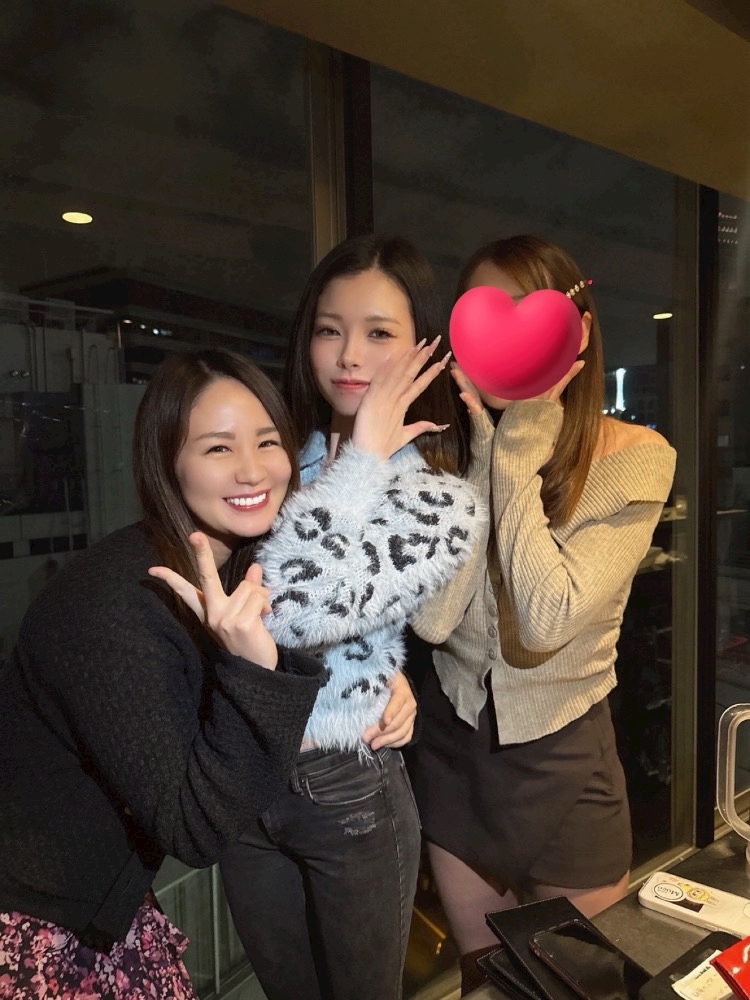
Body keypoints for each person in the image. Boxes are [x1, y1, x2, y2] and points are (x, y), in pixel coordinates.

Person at [0, 350, 325, 999]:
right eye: (218, 448)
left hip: (102, 902)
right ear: (167, 463)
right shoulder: (116, 606)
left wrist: (380, 687)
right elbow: (195, 826)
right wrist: (254, 668)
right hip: (41, 927)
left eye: (268, 441)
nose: (253, 469)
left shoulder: (229, 568)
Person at [408, 234, 677, 995]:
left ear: (577, 332)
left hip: (566, 756)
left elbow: (547, 617)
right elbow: (434, 622)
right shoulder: (445, 454)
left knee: (579, 986)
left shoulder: (638, 456)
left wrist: (518, 453)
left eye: (529, 318)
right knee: (485, 983)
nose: (507, 346)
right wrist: (485, 461)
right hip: (457, 753)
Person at [217, 234, 481, 1000]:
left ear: (424, 347)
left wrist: (363, 458)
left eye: (378, 332)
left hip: (346, 784)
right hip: (244, 770)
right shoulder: (279, 457)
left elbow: (298, 612)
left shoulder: (436, 494)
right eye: (330, 329)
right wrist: (384, 672)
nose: (349, 355)